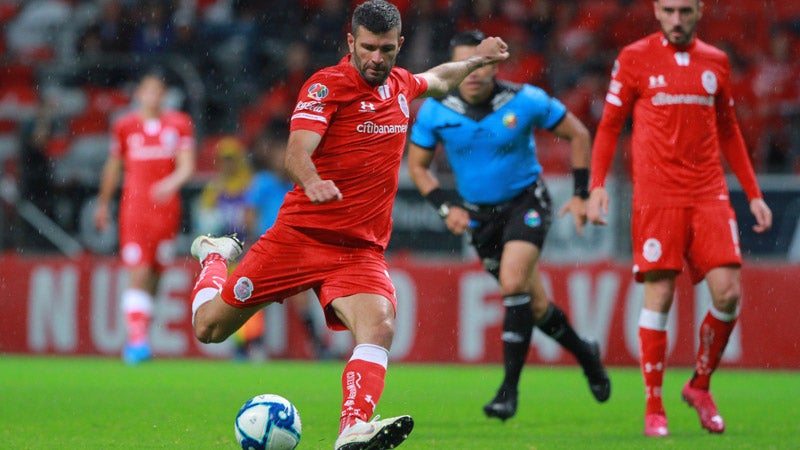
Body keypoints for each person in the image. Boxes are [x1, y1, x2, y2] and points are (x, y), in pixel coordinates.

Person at [187, 1, 509, 448]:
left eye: (386, 50)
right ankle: (215, 256)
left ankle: (353, 427)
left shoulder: (399, 84)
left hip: (358, 251)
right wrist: (313, 181)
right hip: (299, 238)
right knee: (209, 328)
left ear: (399, 45)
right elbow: (296, 151)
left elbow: (439, 79)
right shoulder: (326, 86)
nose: (377, 59)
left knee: (379, 325)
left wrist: (478, 59)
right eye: (368, 48)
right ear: (351, 43)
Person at [586, 0, 773, 437]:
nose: (676, 19)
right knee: (661, 296)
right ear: (656, 10)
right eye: (668, 10)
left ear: (699, 11)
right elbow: (611, 125)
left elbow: (728, 128)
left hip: (708, 193)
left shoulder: (717, 61)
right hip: (656, 196)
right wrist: (596, 186)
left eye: (684, 11)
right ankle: (654, 407)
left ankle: (700, 385)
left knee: (727, 294)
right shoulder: (633, 58)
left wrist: (754, 193)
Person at [407, 29, 611, 423]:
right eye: (466, 65)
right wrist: (445, 208)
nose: (475, 73)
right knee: (533, 305)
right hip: (479, 217)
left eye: (482, 63)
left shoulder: (525, 100)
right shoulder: (435, 110)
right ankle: (586, 352)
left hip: (526, 202)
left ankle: (508, 391)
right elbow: (418, 166)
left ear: (496, 63)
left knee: (514, 282)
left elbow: (579, 133)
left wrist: (582, 193)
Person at [94, 69, 196, 365]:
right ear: (139, 94)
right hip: (135, 209)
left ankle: (142, 336)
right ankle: (136, 342)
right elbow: (113, 166)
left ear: (163, 96)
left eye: (157, 91)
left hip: (166, 211)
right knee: (138, 271)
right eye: (147, 90)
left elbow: (187, 166)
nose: (152, 96)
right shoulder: (125, 126)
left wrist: (170, 183)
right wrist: (102, 204)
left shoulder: (178, 124)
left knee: (156, 274)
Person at [244, 124, 335, 361]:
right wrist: (249, 241)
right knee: (252, 297)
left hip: (293, 247)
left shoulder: (299, 182)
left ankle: (317, 346)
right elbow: (250, 215)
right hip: (266, 246)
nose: (281, 160)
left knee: (300, 298)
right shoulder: (263, 182)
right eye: (279, 156)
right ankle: (252, 346)